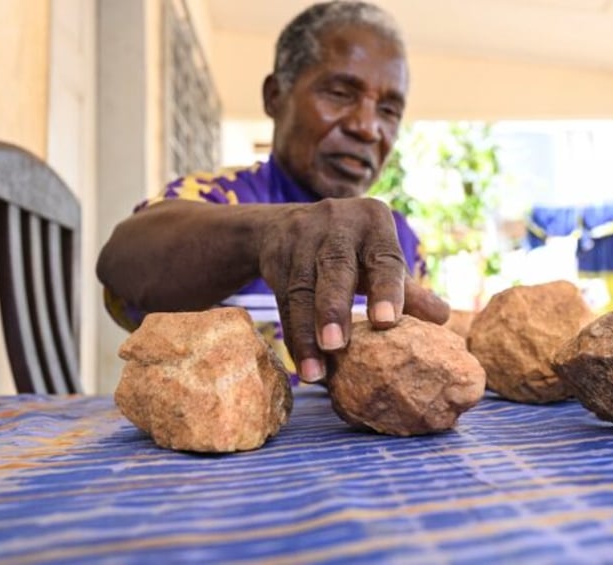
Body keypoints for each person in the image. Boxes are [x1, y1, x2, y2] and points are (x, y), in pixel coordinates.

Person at [97, 0, 450, 385]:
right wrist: (269, 234)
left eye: (388, 110)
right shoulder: (216, 198)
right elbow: (122, 262)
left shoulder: (399, 241)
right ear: (275, 97)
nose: (367, 127)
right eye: (340, 93)